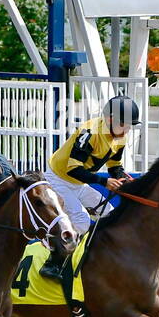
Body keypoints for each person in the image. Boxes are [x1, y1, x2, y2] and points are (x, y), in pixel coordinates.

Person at [39, 95, 139, 281]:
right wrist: (104, 182)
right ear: (110, 119)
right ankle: (53, 263)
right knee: (82, 221)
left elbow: (114, 166)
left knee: (110, 214)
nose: (127, 129)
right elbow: (73, 169)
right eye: (124, 124)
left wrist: (123, 178)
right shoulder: (89, 132)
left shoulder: (120, 137)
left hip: (78, 182)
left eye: (130, 125)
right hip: (58, 179)